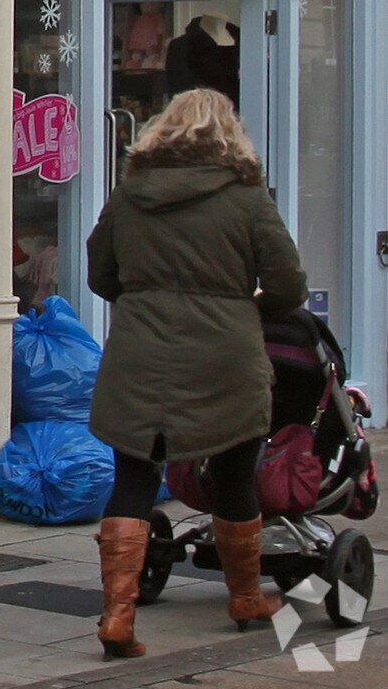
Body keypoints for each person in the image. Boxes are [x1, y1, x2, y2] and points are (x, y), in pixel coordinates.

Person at [86, 87, 308, 660]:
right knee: (234, 473)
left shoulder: (130, 193)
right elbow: (288, 286)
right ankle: (246, 598)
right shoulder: (247, 197)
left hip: (139, 354)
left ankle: (117, 615)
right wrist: (242, 308)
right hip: (225, 358)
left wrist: (143, 301)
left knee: (134, 478)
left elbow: (100, 273)